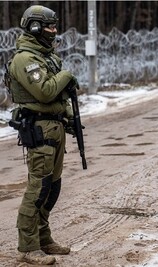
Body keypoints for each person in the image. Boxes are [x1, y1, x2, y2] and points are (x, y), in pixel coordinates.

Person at [7, 5, 78, 265]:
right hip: (39, 129)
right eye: (49, 26)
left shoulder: (46, 56)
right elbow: (47, 91)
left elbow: (58, 96)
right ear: (34, 27)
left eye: (54, 25)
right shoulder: (26, 59)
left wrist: (69, 116)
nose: (54, 31)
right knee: (38, 188)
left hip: (54, 126)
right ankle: (27, 246)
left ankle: (44, 238)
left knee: (52, 188)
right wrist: (67, 75)